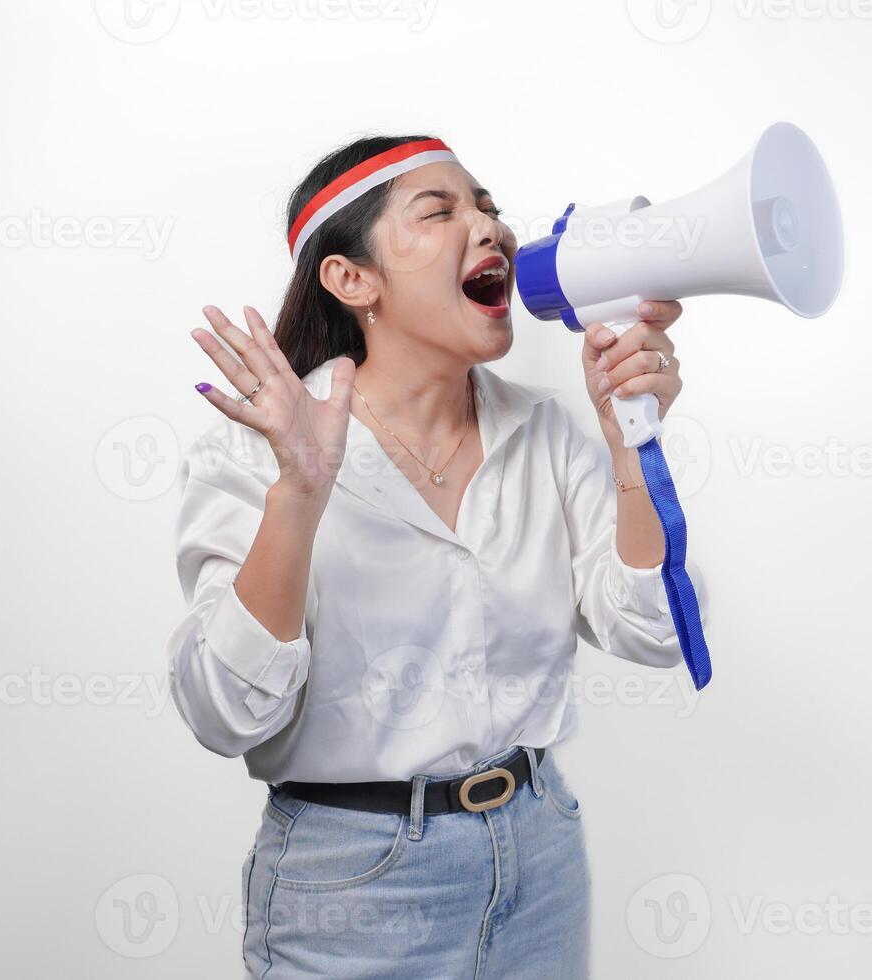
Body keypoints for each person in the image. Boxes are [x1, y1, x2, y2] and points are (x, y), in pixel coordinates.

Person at [165, 134, 707, 978]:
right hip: (354, 887)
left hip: (539, 856)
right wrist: (300, 497)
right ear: (352, 280)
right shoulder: (255, 454)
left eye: (486, 205)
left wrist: (630, 441)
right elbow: (223, 713)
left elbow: (655, 630)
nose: (487, 226)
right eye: (440, 210)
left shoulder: (546, 435)